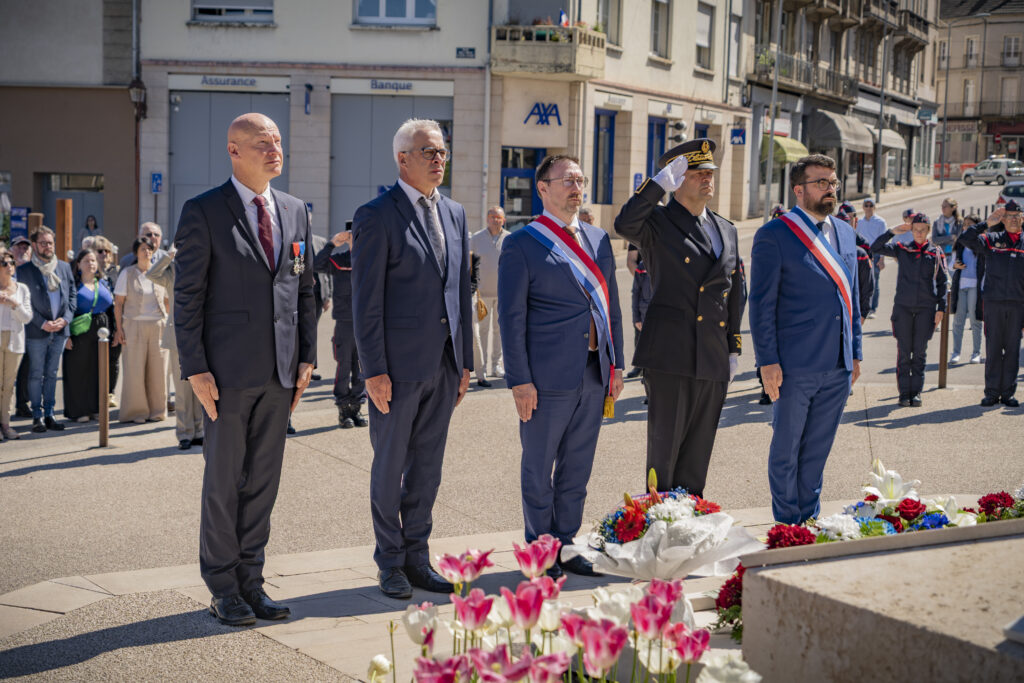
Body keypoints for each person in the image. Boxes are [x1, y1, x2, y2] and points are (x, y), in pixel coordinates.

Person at [175, 112, 316, 626]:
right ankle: (223, 587)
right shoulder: (204, 211)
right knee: (224, 482)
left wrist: (307, 356)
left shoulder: (295, 210)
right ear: (234, 150)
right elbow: (187, 296)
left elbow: (305, 287)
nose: (274, 149)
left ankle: (252, 582)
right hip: (226, 376)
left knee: (263, 483)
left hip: (281, 372)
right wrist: (196, 367)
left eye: (277, 141)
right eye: (262, 143)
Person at [352, 118, 472, 600]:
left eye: (442, 151)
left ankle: (418, 557)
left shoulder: (455, 213)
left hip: (444, 364)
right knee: (390, 467)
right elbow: (366, 302)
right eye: (429, 152)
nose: (439, 159)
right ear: (403, 159)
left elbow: (460, 290)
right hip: (396, 370)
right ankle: (390, 561)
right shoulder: (376, 215)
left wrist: (464, 361)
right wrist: (374, 370)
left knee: (427, 468)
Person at [500, 153, 623, 577]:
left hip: (593, 371)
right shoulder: (521, 243)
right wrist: (519, 380)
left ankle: (567, 544)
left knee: (578, 467)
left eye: (580, 180)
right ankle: (541, 550)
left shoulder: (598, 239)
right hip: (544, 378)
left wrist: (616, 365)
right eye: (567, 180)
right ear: (543, 188)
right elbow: (511, 319)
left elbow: (611, 306)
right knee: (539, 467)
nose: (576, 188)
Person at [614, 139, 744, 497]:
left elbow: (734, 292)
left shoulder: (726, 228)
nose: (707, 178)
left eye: (709, 173)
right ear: (677, 180)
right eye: (697, 173)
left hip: (712, 353)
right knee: (665, 451)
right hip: (670, 353)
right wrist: (655, 187)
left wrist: (733, 346)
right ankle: (659, 518)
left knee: (698, 452)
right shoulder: (657, 222)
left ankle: (692, 515)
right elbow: (624, 225)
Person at [748, 154, 862, 524]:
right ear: (799, 190)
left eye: (833, 182)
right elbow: (761, 305)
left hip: (838, 365)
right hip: (794, 366)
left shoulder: (844, 231)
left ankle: (808, 520)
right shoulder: (774, 235)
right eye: (821, 183)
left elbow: (852, 297)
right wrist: (767, 361)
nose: (830, 190)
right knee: (787, 449)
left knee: (817, 452)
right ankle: (787, 525)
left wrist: (855, 352)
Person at [869, 213, 947, 407]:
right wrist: (892, 232)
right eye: (916, 229)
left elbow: (942, 282)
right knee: (904, 352)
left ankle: (916, 392)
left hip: (926, 309)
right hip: (903, 308)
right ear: (911, 230)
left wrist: (941, 308)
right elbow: (875, 247)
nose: (919, 233)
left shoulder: (936, 253)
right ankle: (904, 393)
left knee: (919, 352)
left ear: (928, 231)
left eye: (923, 230)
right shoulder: (902, 248)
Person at [957, 201, 1024, 407]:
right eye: (1009, 216)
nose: (1013, 219)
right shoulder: (992, 239)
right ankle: (992, 392)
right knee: (993, 348)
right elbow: (965, 239)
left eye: (1017, 215)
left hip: (1018, 304)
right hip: (994, 303)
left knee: (1013, 349)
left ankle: (1008, 393)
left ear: (1022, 218)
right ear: (1002, 219)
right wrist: (986, 223)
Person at [18, 226, 76, 433]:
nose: (48, 246)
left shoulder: (64, 267)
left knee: (52, 373)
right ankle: (37, 416)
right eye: (43, 243)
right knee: (36, 374)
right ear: (34, 245)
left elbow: (72, 296)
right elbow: (23, 303)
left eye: (50, 243)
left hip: (59, 331)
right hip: (37, 331)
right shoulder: (24, 271)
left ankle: (50, 414)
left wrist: (65, 320)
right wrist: (42, 323)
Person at [146, 245, 204, 449]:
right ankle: (185, 433)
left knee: (201, 386)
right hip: (178, 336)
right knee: (182, 390)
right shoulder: (172, 271)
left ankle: (199, 431)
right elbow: (152, 274)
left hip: (201, 334)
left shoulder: (202, 267)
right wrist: (169, 256)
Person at [313, 222, 366, 429]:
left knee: (362, 367)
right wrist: (332, 244)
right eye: (352, 235)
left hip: (366, 322)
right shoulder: (341, 260)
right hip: (344, 322)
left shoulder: (370, 259)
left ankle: (357, 407)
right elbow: (317, 265)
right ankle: (344, 411)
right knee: (343, 366)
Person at [113, 237, 168, 423]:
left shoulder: (159, 273)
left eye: (150, 249)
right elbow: (118, 303)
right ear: (136, 253)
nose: (147, 252)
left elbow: (167, 300)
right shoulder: (127, 273)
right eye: (143, 249)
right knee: (134, 371)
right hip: (134, 325)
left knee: (158, 371)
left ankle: (157, 411)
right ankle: (136, 413)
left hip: (158, 325)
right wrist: (119, 329)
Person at [62, 248, 114, 422]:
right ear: (78, 265)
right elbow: (65, 310)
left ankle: (96, 407)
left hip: (102, 328)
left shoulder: (103, 282)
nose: (90, 264)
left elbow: (112, 307)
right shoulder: (73, 285)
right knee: (78, 370)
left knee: (98, 370)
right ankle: (79, 411)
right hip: (80, 330)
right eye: (86, 261)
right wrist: (66, 335)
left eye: (93, 260)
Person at [469, 206, 509, 387]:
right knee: (482, 332)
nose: (495, 220)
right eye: (492, 216)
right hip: (482, 295)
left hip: (503, 293)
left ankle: (496, 366)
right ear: (487, 219)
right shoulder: (476, 239)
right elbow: (469, 263)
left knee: (500, 331)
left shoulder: (509, 238)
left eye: (498, 217)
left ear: (503, 220)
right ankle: (482, 368)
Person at [0, 249, 33, 440]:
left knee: (8, 385)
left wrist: (14, 304)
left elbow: (27, 317)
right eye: (4, 263)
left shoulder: (22, 289)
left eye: (11, 263)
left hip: (15, 341)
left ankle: (6, 424)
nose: (9, 266)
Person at [949, 214, 984, 365]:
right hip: (961, 285)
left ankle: (976, 353)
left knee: (975, 320)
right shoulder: (960, 242)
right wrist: (955, 265)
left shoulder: (982, 243)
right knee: (958, 320)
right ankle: (956, 352)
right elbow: (951, 265)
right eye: (965, 225)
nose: (966, 227)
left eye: (970, 225)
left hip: (975, 286)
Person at [93, 236, 122, 407]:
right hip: (96, 319)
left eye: (107, 251)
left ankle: (110, 392)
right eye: (100, 251)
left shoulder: (117, 271)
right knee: (95, 359)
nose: (104, 254)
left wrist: (119, 328)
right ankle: (96, 393)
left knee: (113, 358)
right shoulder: (90, 271)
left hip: (114, 319)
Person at [836, 203, 876, 325]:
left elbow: (867, 281)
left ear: (855, 221)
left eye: (850, 217)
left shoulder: (862, 245)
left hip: (854, 302)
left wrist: (864, 311)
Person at [11, 235, 33, 419]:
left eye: (25, 248)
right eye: (18, 247)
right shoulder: (6, 274)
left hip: (29, 326)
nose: (22, 250)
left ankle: (22, 404)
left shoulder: (33, 273)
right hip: (8, 327)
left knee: (26, 368)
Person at [857, 198, 887, 318]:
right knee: (862, 281)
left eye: (871, 205)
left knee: (874, 282)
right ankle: (862, 307)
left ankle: (872, 308)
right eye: (866, 205)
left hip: (876, 254)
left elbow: (884, 241)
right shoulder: (860, 222)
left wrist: (882, 259)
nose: (868, 208)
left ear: (874, 207)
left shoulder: (881, 222)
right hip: (863, 254)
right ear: (863, 207)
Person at [629, 248, 652, 383]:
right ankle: (640, 368)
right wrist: (636, 318)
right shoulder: (642, 268)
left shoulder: (665, 264)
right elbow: (635, 293)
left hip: (659, 316)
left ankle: (650, 377)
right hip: (643, 316)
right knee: (641, 345)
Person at [932, 198, 962, 263]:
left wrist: (941, 240)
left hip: (954, 256)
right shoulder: (937, 222)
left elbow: (958, 240)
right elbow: (934, 240)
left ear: (953, 208)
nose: (943, 208)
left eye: (945, 206)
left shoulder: (959, 222)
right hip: (940, 256)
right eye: (942, 206)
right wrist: (950, 237)